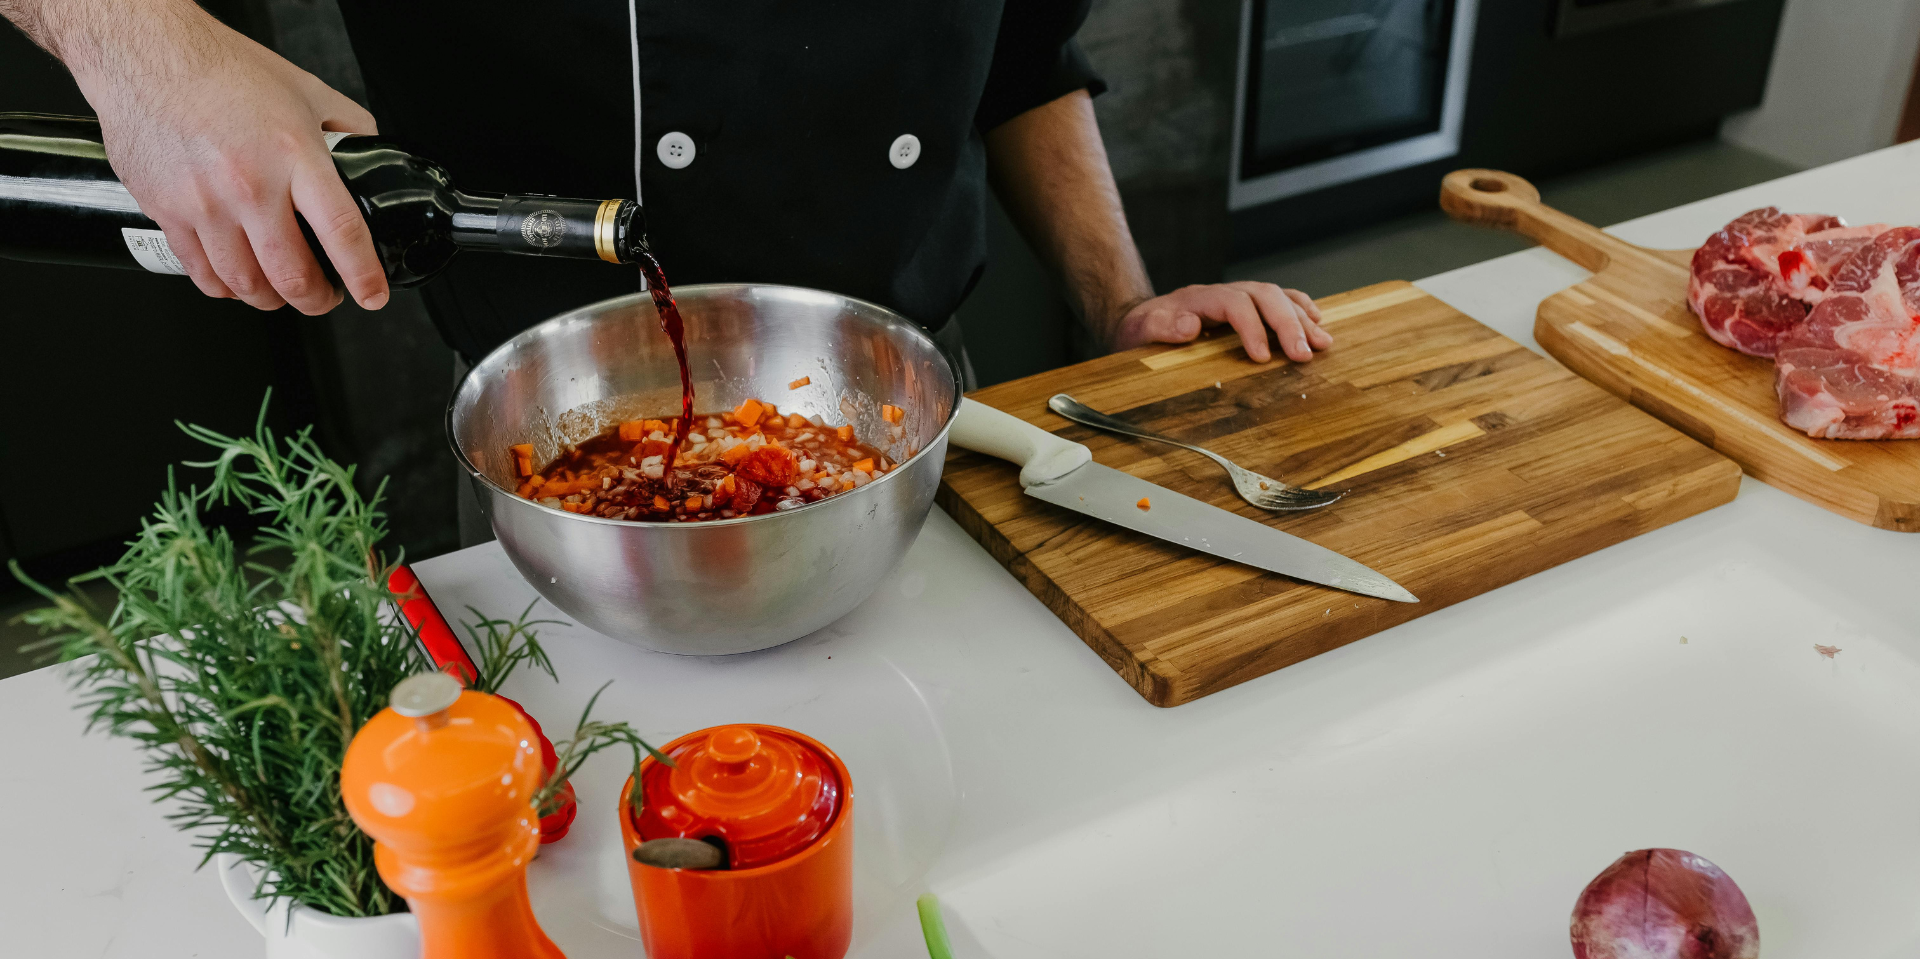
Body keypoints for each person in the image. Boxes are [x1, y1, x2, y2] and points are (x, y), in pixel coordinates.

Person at [0, 0, 1332, 377]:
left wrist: (1126, 308)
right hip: (557, 439)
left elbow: (1021, 53)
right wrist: (142, 45)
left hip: (925, 407)